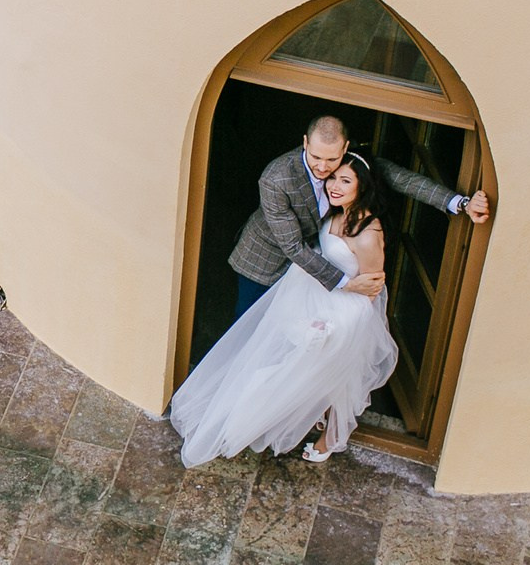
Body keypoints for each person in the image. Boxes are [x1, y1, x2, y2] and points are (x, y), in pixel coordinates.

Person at [170, 151, 397, 464]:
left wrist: (335, 327)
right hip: (308, 296)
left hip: (339, 315)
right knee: (284, 362)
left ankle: (330, 437)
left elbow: (370, 289)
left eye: (345, 180)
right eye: (332, 177)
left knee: (327, 376)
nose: (334, 185)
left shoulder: (369, 234)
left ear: (363, 185)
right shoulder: (333, 211)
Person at [227, 115, 488, 323]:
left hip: (317, 263)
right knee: (249, 326)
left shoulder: (350, 164)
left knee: (292, 332)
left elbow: (403, 179)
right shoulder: (275, 178)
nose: (322, 167)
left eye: (331, 159)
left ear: (345, 148)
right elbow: (293, 247)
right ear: (305, 143)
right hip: (265, 259)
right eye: (315, 157)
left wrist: (461, 203)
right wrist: (347, 284)